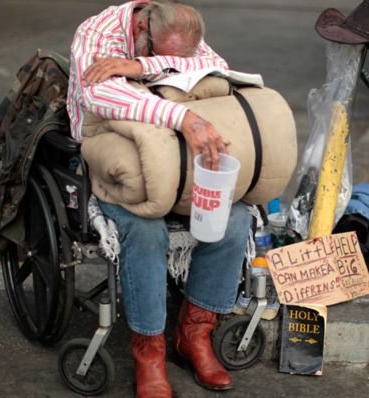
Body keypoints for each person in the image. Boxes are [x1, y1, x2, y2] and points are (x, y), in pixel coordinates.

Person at [67, 1, 250, 397]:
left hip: (170, 155)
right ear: (140, 27)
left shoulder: (174, 32)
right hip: (113, 156)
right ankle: (148, 351)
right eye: (155, 52)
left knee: (234, 218)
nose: (168, 58)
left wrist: (143, 67)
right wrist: (182, 117)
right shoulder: (96, 33)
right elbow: (98, 94)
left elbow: (219, 71)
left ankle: (194, 335)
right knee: (144, 230)